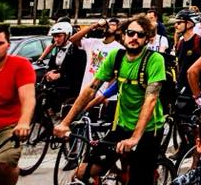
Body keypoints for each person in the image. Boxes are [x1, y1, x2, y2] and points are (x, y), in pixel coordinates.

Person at [55, 15, 167, 185]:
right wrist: (66, 122)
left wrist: (135, 138)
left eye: (140, 35)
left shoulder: (154, 59)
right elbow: (91, 88)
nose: (134, 38)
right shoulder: (117, 56)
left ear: (147, 39)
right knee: (81, 173)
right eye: (131, 33)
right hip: (121, 126)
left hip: (148, 130)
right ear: (123, 35)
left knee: (137, 180)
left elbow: (151, 99)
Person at [0, 25, 35, 185]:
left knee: (5, 163)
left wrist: (24, 122)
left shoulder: (20, 65)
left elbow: (28, 97)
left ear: (8, 45)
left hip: (5, 130)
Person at [70, 18, 123, 97]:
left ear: (118, 30)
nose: (109, 26)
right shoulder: (93, 42)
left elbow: (116, 75)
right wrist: (94, 26)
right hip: (85, 92)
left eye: (112, 24)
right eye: (108, 24)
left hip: (102, 95)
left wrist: (106, 95)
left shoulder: (119, 49)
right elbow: (73, 39)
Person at [41, 21, 87, 111]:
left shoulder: (77, 50)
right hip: (57, 89)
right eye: (54, 36)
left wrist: (60, 75)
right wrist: (50, 72)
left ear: (68, 35)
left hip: (71, 91)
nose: (56, 39)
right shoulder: (57, 49)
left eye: (59, 36)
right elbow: (52, 65)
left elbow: (78, 72)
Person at [173, 10, 201, 104]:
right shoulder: (180, 43)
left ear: (189, 24)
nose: (175, 25)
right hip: (182, 88)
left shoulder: (200, 42)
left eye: (179, 23)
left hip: (197, 91)